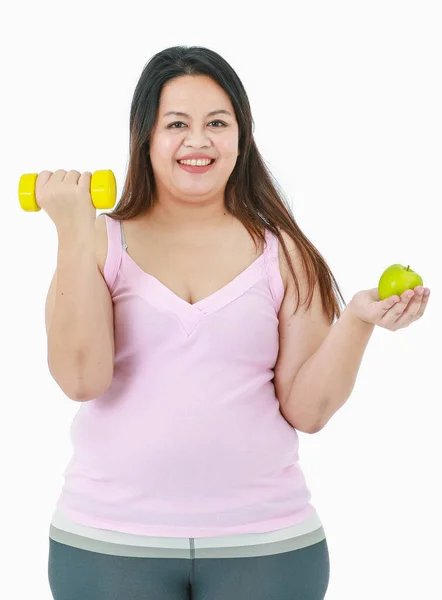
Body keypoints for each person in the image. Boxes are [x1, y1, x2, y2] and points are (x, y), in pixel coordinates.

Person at [42, 45, 429, 600]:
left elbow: (308, 410)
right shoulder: (98, 245)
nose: (197, 141)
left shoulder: (285, 252)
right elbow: (81, 378)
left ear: (241, 137)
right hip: (107, 544)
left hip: (268, 547)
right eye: (177, 123)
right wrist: (75, 230)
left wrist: (358, 322)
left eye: (216, 123)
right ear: (145, 136)